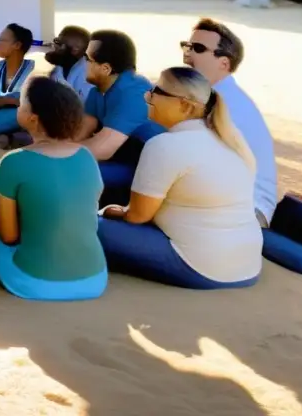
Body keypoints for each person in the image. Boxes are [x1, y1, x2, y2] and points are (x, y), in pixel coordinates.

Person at [97, 67, 262, 290]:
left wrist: (106, 211)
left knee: (76, 224)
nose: (147, 95)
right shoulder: (232, 141)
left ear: (185, 105)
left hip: (201, 266)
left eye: (156, 90)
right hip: (247, 266)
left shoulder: (165, 145)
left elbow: (136, 216)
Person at [0, 77, 107, 301]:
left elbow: (9, 236)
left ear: (32, 118)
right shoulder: (86, 156)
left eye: (21, 104)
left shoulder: (14, 161)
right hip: (95, 279)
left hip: (35, 282)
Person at [182, 18, 276, 226]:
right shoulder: (207, 96)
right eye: (187, 46)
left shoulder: (226, 104)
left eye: (197, 48)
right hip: (223, 200)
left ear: (224, 63)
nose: (187, 54)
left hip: (247, 210)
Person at [75, 29, 165, 204]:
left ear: (105, 68)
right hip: (124, 157)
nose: (82, 63)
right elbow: (79, 133)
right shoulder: (97, 91)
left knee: (70, 170)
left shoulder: (133, 92)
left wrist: (51, 154)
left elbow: (102, 149)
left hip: (145, 169)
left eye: (87, 59)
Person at [46, 26, 93, 103]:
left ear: (75, 50)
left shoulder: (88, 75)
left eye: (59, 43)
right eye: (55, 41)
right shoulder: (59, 68)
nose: (54, 45)